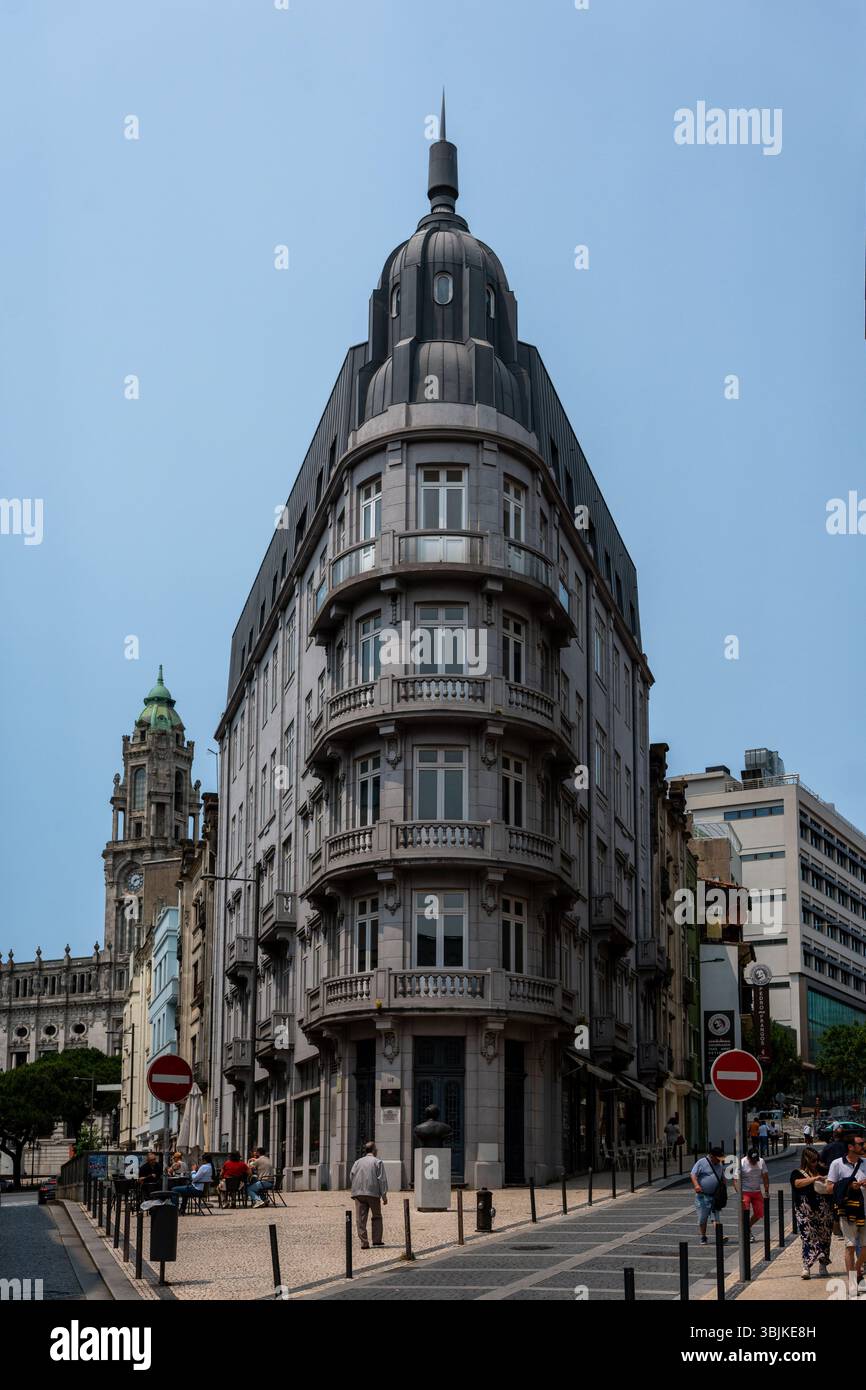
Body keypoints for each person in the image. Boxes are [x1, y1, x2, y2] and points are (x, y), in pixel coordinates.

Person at [826, 1133, 866, 1292]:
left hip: (864, 1210)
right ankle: (852, 1282)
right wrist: (849, 1186)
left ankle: (856, 1270)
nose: (863, 1146)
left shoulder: (865, 1163)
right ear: (850, 1147)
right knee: (850, 1246)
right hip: (847, 1211)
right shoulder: (837, 1164)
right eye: (860, 1144)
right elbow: (829, 1188)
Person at [790, 1146, 833, 1279]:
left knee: (825, 1236)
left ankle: (823, 1265)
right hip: (805, 1210)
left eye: (817, 1160)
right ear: (807, 1160)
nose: (816, 1163)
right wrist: (814, 1179)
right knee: (808, 1236)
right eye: (813, 1161)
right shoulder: (797, 1172)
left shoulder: (822, 1170)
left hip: (824, 1209)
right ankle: (806, 1266)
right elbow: (796, 1183)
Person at [690, 1145, 734, 1245]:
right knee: (702, 1218)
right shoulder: (701, 1162)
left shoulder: (719, 1164)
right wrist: (696, 1185)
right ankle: (703, 1236)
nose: (719, 1161)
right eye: (718, 1158)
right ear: (711, 1156)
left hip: (715, 1196)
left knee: (715, 1217)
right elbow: (693, 1174)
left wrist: (723, 1189)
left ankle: (720, 1236)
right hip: (703, 1196)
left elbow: (722, 1177)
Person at [350, 1141, 388, 1249]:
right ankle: (376, 1240)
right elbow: (382, 1180)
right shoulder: (377, 1162)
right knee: (376, 1216)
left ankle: (364, 1242)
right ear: (374, 1150)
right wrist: (384, 1195)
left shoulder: (357, 1162)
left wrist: (356, 1188)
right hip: (373, 1193)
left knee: (360, 1219)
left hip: (358, 1193)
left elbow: (351, 1175)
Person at [740, 1147, 770, 1240]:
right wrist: (739, 1194)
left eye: (755, 1160)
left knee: (760, 1212)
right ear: (748, 1157)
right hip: (745, 1191)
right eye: (752, 1160)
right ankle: (747, 1232)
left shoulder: (761, 1161)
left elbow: (765, 1176)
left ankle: (747, 1227)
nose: (754, 1162)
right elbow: (735, 1179)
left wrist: (766, 1191)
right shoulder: (742, 1162)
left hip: (756, 1191)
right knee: (745, 1211)